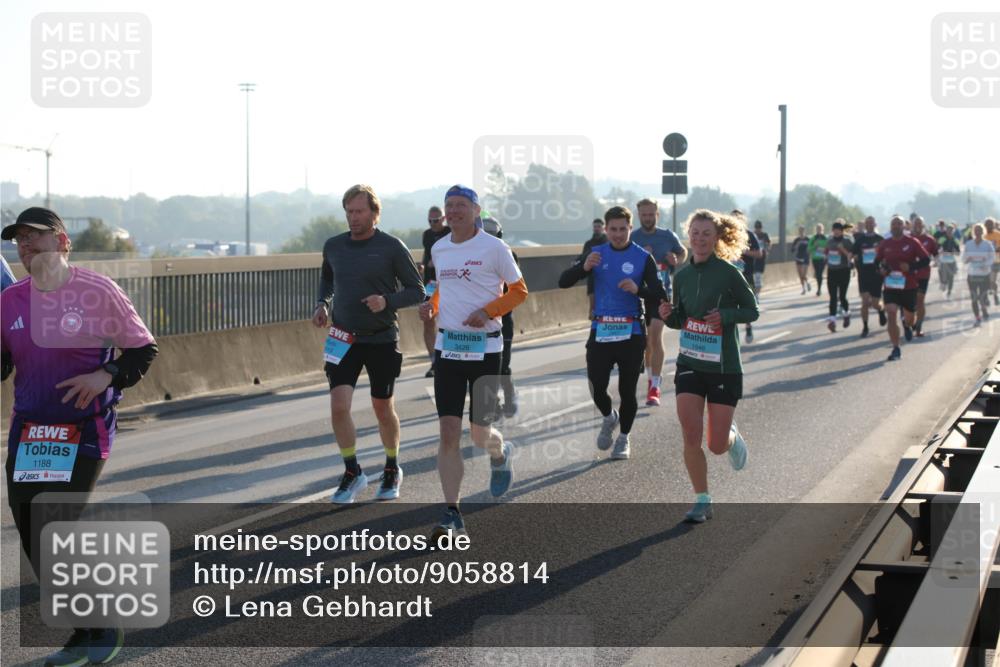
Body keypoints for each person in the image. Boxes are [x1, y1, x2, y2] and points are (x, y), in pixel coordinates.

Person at [1, 207, 158, 667]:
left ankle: (103, 624)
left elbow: (142, 349)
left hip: (83, 428)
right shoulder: (10, 300)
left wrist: (105, 375)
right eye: (20, 241)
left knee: (56, 521)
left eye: (36, 238)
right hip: (32, 429)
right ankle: (83, 630)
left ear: (63, 242)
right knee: (32, 528)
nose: (27, 247)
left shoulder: (96, 290)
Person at [418, 185, 527, 543]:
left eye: (461, 205)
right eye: (449, 206)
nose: (453, 211)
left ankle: (500, 451)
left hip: (485, 350)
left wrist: (487, 311)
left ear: (476, 210)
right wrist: (431, 306)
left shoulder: (495, 248)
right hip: (449, 349)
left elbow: (519, 291)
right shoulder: (439, 247)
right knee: (448, 432)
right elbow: (440, 286)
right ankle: (452, 512)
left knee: (479, 434)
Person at [313, 185, 425, 504]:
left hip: (381, 339)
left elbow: (417, 291)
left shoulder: (391, 247)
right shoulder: (334, 246)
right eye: (349, 211)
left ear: (374, 213)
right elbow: (327, 279)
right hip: (342, 338)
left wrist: (386, 300)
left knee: (382, 407)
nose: (353, 217)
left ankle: (391, 467)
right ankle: (353, 472)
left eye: (359, 211)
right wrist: (322, 303)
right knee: (338, 406)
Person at [658, 209, 758, 523]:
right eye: (695, 233)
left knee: (715, 445)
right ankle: (702, 499)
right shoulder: (682, 275)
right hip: (690, 362)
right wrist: (667, 315)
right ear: (689, 236)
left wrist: (726, 316)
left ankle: (729, 436)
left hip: (724, 366)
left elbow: (751, 310)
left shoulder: (729, 273)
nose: (700, 239)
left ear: (716, 238)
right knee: (690, 433)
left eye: (706, 234)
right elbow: (680, 318)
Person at [559, 205, 666, 460]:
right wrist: (583, 267)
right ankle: (609, 417)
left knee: (627, 390)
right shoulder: (595, 253)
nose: (618, 234)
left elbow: (660, 295)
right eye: (613, 229)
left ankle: (624, 438)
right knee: (596, 386)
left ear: (631, 229)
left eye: (623, 229)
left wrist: (637, 290)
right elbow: (563, 281)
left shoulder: (642, 257)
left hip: (631, 331)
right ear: (605, 229)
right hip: (601, 329)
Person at [633, 198, 686, 407]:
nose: (648, 218)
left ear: (658, 214)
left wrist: (676, 258)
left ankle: (654, 386)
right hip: (638, 295)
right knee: (646, 342)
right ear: (639, 215)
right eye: (644, 215)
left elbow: (683, 253)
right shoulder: (633, 237)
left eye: (651, 214)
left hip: (662, 293)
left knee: (655, 336)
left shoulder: (667, 235)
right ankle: (651, 378)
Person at [877, 215, 931, 361]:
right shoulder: (885, 243)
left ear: (904, 227)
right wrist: (881, 270)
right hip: (890, 286)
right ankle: (896, 348)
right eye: (893, 224)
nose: (896, 226)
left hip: (909, 286)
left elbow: (926, 260)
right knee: (891, 313)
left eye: (899, 224)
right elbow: (876, 262)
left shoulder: (913, 242)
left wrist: (911, 267)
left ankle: (907, 326)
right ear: (890, 227)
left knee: (909, 319)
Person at [481, 216, 519, 418]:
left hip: (502, 318)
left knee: (502, 364)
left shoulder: (507, 254)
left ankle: (510, 393)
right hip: (478, 322)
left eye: (492, 235)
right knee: (484, 364)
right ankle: (492, 402)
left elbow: (516, 290)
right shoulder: (470, 254)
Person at [419, 206, 451, 377]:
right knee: (428, 321)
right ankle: (434, 361)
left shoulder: (450, 232)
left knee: (447, 321)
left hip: (447, 283)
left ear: (443, 219)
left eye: (436, 220)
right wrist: (423, 266)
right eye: (430, 221)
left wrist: (439, 262)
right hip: (430, 284)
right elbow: (426, 255)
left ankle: (448, 358)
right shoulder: (427, 235)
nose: (433, 224)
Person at [853, 216, 887, 338]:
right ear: (865, 226)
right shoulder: (860, 240)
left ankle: (881, 310)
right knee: (865, 301)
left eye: (871, 223)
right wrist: (854, 258)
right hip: (863, 274)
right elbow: (853, 253)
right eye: (867, 224)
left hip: (876, 274)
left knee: (875, 303)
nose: (869, 225)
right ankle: (865, 327)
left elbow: (885, 256)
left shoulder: (881, 239)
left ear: (875, 225)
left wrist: (884, 267)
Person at [731, 211, 762, 344]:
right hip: (730, 275)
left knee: (746, 303)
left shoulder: (750, 235)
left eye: (738, 219)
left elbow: (759, 254)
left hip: (746, 274)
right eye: (733, 219)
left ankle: (748, 326)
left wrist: (745, 252)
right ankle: (732, 333)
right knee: (729, 303)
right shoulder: (727, 234)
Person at [910, 216, 939, 337]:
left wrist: (934, 262)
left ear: (923, 225)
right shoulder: (908, 238)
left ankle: (918, 327)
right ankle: (909, 322)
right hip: (909, 275)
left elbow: (936, 255)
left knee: (920, 300)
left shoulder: (929, 239)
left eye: (920, 224)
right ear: (912, 225)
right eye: (916, 223)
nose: (918, 226)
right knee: (910, 302)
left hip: (923, 274)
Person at [824, 221, 854, 332]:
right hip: (832, 271)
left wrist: (843, 250)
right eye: (834, 230)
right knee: (832, 297)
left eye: (838, 230)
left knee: (842, 296)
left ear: (842, 231)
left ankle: (846, 314)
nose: (836, 232)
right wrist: (826, 257)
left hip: (843, 271)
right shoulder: (829, 241)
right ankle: (832, 321)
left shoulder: (847, 241)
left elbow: (851, 255)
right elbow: (826, 252)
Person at [963, 223, 994, 326]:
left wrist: (985, 263)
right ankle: (977, 317)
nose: (978, 232)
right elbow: (963, 258)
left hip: (984, 274)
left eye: (980, 230)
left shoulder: (988, 244)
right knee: (974, 297)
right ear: (973, 232)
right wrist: (967, 259)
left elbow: (992, 257)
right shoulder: (968, 244)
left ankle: (984, 308)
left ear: (983, 232)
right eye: (976, 230)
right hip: (972, 274)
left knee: (983, 296)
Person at [580, 218, 608, 317]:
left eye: (599, 227)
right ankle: (594, 322)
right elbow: (583, 257)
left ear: (604, 228)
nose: (596, 229)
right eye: (595, 227)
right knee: (593, 305)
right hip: (592, 276)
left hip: (606, 276)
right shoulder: (588, 243)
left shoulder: (608, 242)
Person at [938, 225, 961, 298]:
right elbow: (937, 248)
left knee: (951, 277)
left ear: (953, 231)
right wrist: (940, 251)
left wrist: (953, 253)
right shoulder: (942, 238)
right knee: (941, 273)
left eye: (951, 231)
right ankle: (943, 283)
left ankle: (949, 291)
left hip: (951, 261)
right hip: (943, 260)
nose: (949, 232)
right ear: (946, 231)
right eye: (948, 230)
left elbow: (958, 252)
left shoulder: (955, 240)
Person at [807, 224, 828, 296]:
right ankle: (819, 286)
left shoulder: (825, 238)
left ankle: (819, 289)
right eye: (818, 229)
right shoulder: (813, 238)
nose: (819, 230)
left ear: (823, 230)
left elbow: (829, 248)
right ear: (816, 230)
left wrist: (824, 250)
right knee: (817, 273)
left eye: (820, 229)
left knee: (819, 273)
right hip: (815, 258)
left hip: (822, 258)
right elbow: (809, 249)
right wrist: (814, 246)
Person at [752, 220, 771, 296]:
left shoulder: (764, 235)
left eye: (759, 228)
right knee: (753, 278)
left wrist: (767, 250)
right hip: (753, 259)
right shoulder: (752, 235)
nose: (758, 229)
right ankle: (755, 294)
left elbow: (769, 244)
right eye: (757, 227)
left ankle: (757, 295)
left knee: (758, 277)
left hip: (761, 259)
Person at [790, 226, 811, 294]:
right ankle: (803, 288)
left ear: (804, 231)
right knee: (800, 275)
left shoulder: (808, 239)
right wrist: (796, 246)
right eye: (800, 231)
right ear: (799, 231)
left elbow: (811, 248)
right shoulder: (796, 240)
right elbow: (792, 250)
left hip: (806, 258)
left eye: (802, 230)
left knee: (804, 275)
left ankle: (807, 283)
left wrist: (809, 251)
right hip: (798, 258)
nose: (801, 232)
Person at [986, 218, 1000, 306]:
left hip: (997, 260)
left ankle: (995, 295)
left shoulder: (998, 234)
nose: (989, 226)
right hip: (988, 262)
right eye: (987, 225)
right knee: (992, 281)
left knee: (993, 280)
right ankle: (995, 295)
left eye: (991, 224)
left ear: (994, 225)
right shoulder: (983, 235)